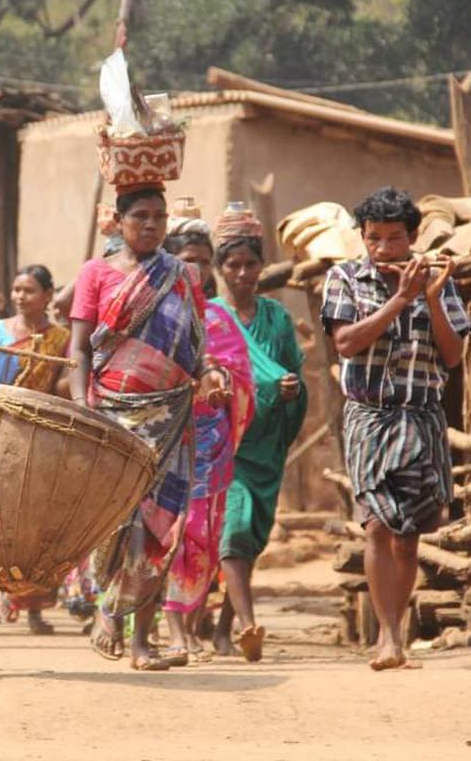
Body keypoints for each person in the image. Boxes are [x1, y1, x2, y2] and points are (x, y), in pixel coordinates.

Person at [68, 183, 227, 671]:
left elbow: (195, 348)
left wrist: (211, 375)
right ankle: (107, 612)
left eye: (160, 215)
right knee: (119, 521)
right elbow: (79, 348)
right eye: (141, 215)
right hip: (111, 413)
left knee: (158, 530)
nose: (152, 224)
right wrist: (81, 403)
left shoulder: (183, 276)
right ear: (118, 222)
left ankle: (140, 642)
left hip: (172, 415)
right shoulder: (96, 274)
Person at [321, 186, 471, 670]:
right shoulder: (343, 278)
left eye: (394, 239)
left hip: (422, 415)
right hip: (369, 415)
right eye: (374, 239)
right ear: (362, 238)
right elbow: (344, 342)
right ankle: (385, 637)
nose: (384, 249)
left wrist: (426, 299)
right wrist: (399, 300)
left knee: (408, 535)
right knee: (376, 524)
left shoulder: (439, 280)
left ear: (412, 238)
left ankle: (398, 633)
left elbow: (453, 356)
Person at [208, 205, 308, 662]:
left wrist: (288, 389)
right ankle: (250, 623)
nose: (243, 273)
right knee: (234, 524)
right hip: (222, 442)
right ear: (219, 268)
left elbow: (293, 373)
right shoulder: (208, 318)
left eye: (251, 264)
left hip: (266, 444)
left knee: (248, 537)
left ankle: (227, 630)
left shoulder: (277, 318)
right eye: (233, 265)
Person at [159, 218, 255, 663]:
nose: (194, 269)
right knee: (170, 533)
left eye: (201, 261)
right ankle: (174, 629)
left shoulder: (218, 317)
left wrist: (219, 381)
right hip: (163, 440)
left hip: (211, 444)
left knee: (203, 537)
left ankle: (191, 627)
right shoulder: (154, 312)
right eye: (186, 261)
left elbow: (240, 373)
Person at [0, 264, 71, 634]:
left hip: (43, 437)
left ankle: (34, 608)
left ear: (48, 296)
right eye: (16, 289)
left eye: (29, 290)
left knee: (40, 528)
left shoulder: (62, 339)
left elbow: (64, 385)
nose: (19, 296)